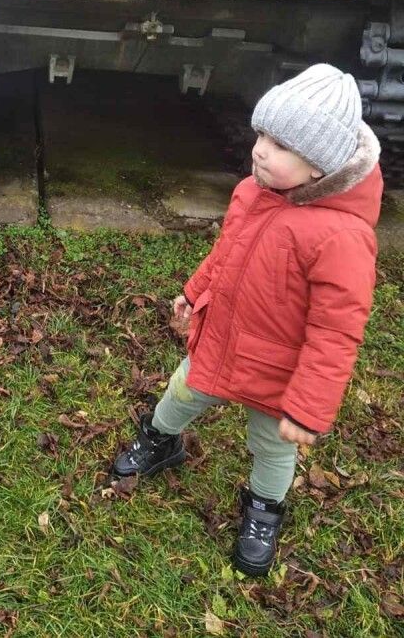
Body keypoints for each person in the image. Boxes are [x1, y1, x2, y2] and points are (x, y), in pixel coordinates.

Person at [110, 64, 382, 577]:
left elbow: (336, 332)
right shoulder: (252, 193)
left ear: (319, 168)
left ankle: (263, 509)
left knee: (272, 447)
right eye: (261, 133)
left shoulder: (342, 238)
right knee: (183, 391)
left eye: (279, 145)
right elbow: (226, 252)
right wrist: (194, 292)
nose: (259, 149)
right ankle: (160, 440)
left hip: (277, 372)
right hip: (221, 338)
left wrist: (307, 408)